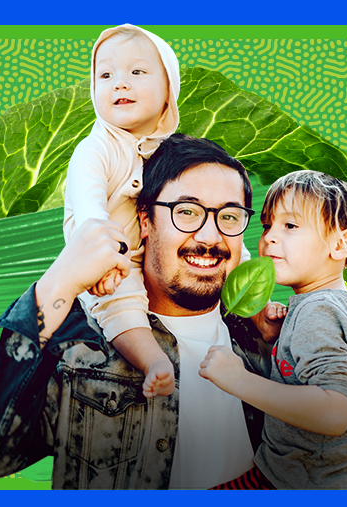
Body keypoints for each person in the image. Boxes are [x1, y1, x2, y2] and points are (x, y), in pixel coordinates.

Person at [0, 134, 347, 489]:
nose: (209, 236)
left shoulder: (270, 331)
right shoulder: (78, 340)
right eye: (187, 212)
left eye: (229, 216)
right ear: (145, 220)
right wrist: (59, 282)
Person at [63, 24, 252, 399]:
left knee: (233, 250)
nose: (120, 83)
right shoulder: (96, 149)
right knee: (122, 304)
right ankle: (154, 361)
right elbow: (89, 212)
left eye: (137, 72)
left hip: (141, 255)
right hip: (107, 259)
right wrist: (103, 262)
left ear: (170, 89)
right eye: (105, 75)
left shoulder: (172, 151)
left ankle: (259, 314)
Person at [201, 170, 347, 489]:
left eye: (290, 226)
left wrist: (238, 380)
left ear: (341, 244)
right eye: (267, 225)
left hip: (293, 483)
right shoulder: (338, 305)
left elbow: (334, 413)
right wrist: (279, 339)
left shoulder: (317, 312)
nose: (270, 237)